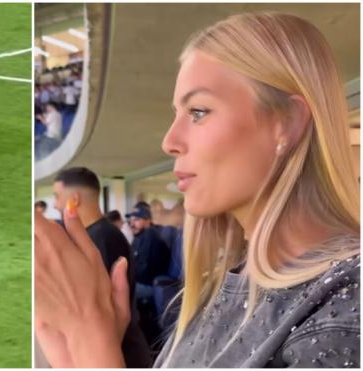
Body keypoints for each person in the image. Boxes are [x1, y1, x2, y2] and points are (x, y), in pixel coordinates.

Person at [34, 12, 359, 368]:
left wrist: (89, 342)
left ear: (286, 123)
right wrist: (82, 346)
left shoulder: (346, 308)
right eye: (178, 113)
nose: (169, 141)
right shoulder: (223, 285)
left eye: (199, 111)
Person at [48, 167, 152, 367]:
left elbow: (93, 309)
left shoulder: (102, 239)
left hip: (119, 354)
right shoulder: (97, 235)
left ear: (74, 199)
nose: (55, 204)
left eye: (57, 196)